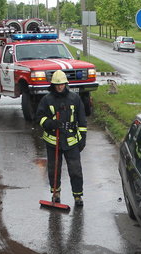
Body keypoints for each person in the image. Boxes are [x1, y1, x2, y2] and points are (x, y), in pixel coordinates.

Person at [36, 70, 87, 206]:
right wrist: (50, 123)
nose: (60, 87)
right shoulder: (47, 100)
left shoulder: (74, 98)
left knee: (75, 170)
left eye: (62, 84)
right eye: (57, 85)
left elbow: (82, 120)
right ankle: (55, 193)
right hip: (53, 141)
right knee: (54, 169)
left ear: (66, 84)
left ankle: (77, 196)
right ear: (53, 85)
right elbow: (39, 117)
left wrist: (82, 139)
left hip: (71, 141)